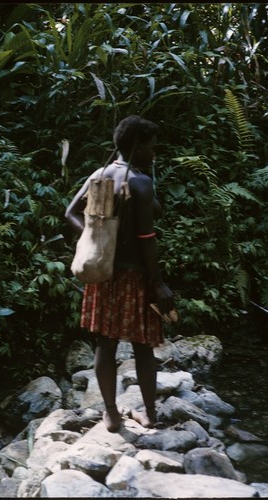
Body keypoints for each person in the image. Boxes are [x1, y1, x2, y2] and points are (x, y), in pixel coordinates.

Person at [65, 115, 174, 432]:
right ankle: (150, 414)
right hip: (136, 275)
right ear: (138, 145)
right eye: (151, 147)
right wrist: (158, 283)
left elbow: (70, 212)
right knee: (143, 346)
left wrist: (95, 240)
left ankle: (111, 414)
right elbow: (145, 238)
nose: (154, 153)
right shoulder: (140, 182)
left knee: (106, 343)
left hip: (104, 273)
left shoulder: (101, 174)